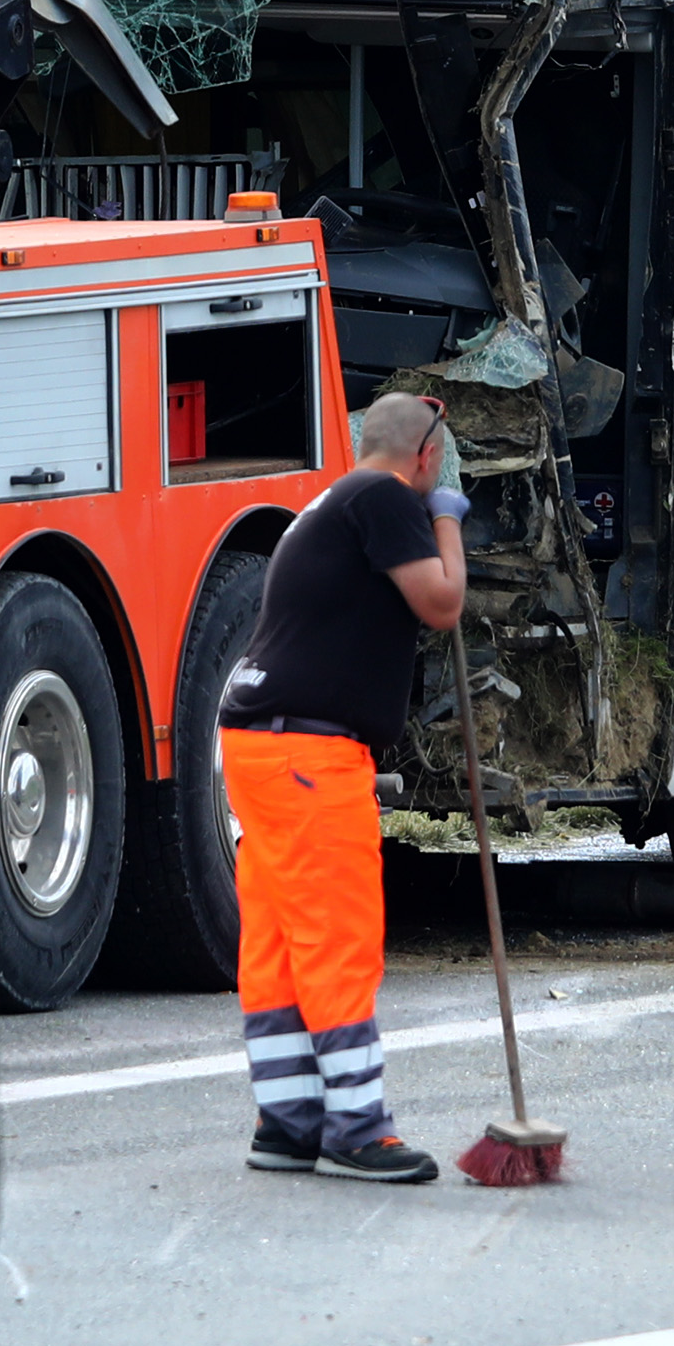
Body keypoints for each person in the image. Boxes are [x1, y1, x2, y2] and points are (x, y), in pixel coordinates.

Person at [214, 389, 470, 1185]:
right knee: (337, 934)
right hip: (308, 757)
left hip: (258, 742)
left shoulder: (333, 498)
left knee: (282, 942)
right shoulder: (385, 498)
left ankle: (288, 1121)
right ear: (426, 457)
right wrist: (450, 518)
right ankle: (358, 1128)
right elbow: (441, 601)